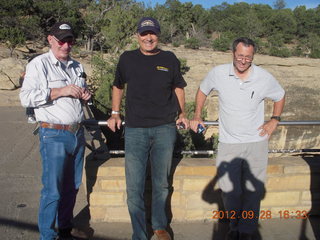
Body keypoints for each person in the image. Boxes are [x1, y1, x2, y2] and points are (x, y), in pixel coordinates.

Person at [190, 37, 285, 240]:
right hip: (228, 143)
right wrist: (197, 114)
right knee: (228, 191)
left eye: (248, 57)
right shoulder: (218, 73)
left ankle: (246, 231)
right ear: (233, 53)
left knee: (253, 192)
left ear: (253, 57)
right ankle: (235, 225)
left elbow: (280, 95)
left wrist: (274, 119)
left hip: (256, 143)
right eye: (240, 55)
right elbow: (202, 90)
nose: (243, 60)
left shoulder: (264, 77)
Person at [107, 17, 188, 240]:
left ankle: (160, 226)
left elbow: (178, 88)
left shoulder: (169, 58)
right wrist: (115, 113)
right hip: (135, 130)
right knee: (134, 186)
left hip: (164, 128)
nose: (148, 38)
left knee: (161, 183)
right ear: (137, 36)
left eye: (152, 33)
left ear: (158, 35)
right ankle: (139, 234)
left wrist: (182, 114)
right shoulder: (127, 59)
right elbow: (117, 86)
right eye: (144, 34)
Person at [19, 21, 91, 240]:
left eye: (70, 40)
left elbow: (79, 94)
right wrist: (60, 91)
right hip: (53, 135)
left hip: (77, 133)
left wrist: (85, 95)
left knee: (72, 187)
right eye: (61, 40)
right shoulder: (39, 64)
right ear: (51, 40)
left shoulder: (77, 66)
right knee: (53, 190)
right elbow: (26, 97)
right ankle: (47, 236)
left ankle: (66, 228)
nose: (66, 45)